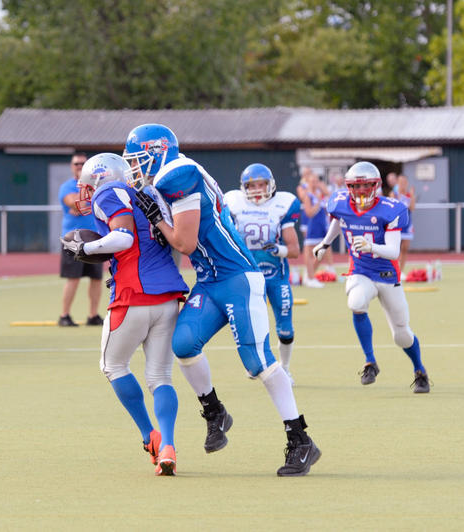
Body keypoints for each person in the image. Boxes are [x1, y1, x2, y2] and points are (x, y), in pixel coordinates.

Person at [126, 124, 320, 476]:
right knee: (184, 344)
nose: (135, 167)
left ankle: (300, 439)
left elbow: (184, 242)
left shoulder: (178, 174)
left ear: (156, 151)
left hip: (237, 277)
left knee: (257, 361)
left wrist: (157, 219)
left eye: (138, 158)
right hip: (209, 278)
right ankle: (215, 411)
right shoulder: (169, 178)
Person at [61, 153, 188, 475]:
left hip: (133, 294)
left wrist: (86, 248)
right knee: (160, 377)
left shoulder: (108, 192)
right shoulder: (147, 194)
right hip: (168, 294)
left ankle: (149, 437)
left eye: (88, 185)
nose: (86, 193)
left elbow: (123, 237)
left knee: (113, 365)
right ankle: (168, 444)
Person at [312, 161, 430, 393]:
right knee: (356, 302)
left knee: (402, 335)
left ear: (376, 185)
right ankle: (370, 362)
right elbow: (339, 220)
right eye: (356, 186)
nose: (361, 191)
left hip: (387, 275)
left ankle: (420, 370)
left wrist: (371, 246)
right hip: (361, 270)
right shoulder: (340, 202)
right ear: (349, 187)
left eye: (366, 185)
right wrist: (325, 243)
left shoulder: (390, 208)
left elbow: (394, 252)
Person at [224, 163, 301, 383]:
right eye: (252, 185)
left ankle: (285, 368)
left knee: (285, 328)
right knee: (250, 324)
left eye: (261, 184)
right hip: (247, 277)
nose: (257, 189)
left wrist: (279, 250)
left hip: (276, 275)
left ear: (270, 185)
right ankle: (255, 363)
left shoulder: (282, 205)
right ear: (244, 187)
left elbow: (294, 250)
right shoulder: (233, 204)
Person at [57, 152, 104, 327]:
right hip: (73, 239)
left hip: (94, 237)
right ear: (72, 167)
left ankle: (93, 315)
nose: (79, 167)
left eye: (83, 164)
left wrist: (83, 201)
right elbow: (77, 204)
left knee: (96, 278)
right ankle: (64, 315)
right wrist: (84, 194)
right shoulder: (67, 187)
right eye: (76, 164)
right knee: (73, 278)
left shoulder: (95, 186)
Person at [296, 168, 332, 287]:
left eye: (317, 181)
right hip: (312, 226)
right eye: (313, 181)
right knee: (309, 250)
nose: (315, 183)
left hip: (322, 226)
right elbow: (309, 213)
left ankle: (309, 274)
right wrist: (317, 204)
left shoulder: (318, 194)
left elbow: (329, 197)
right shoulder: (308, 195)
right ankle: (310, 278)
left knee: (322, 251)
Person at [394, 174, 416, 273]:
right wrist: (399, 197)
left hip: (407, 224)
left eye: (404, 182)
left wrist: (412, 196)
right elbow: (393, 208)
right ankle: (394, 270)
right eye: (400, 182)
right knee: (395, 249)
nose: (402, 184)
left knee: (405, 248)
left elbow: (412, 208)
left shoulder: (409, 195)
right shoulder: (394, 194)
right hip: (397, 224)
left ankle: (401, 270)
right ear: (397, 183)